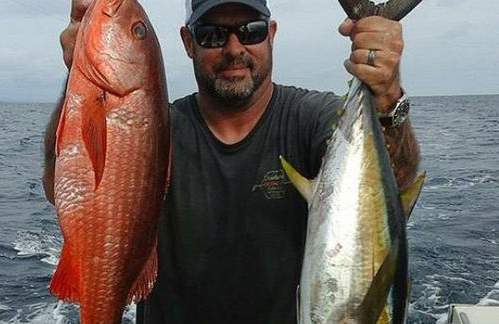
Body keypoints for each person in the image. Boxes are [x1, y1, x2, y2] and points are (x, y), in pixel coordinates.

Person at [43, 0, 420, 322]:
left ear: (271, 33)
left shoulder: (312, 118)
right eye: (212, 35)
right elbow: (59, 185)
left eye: (251, 30)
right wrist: (80, 78)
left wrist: (386, 99)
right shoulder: (151, 130)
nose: (234, 48)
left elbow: (395, 187)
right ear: (188, 43)